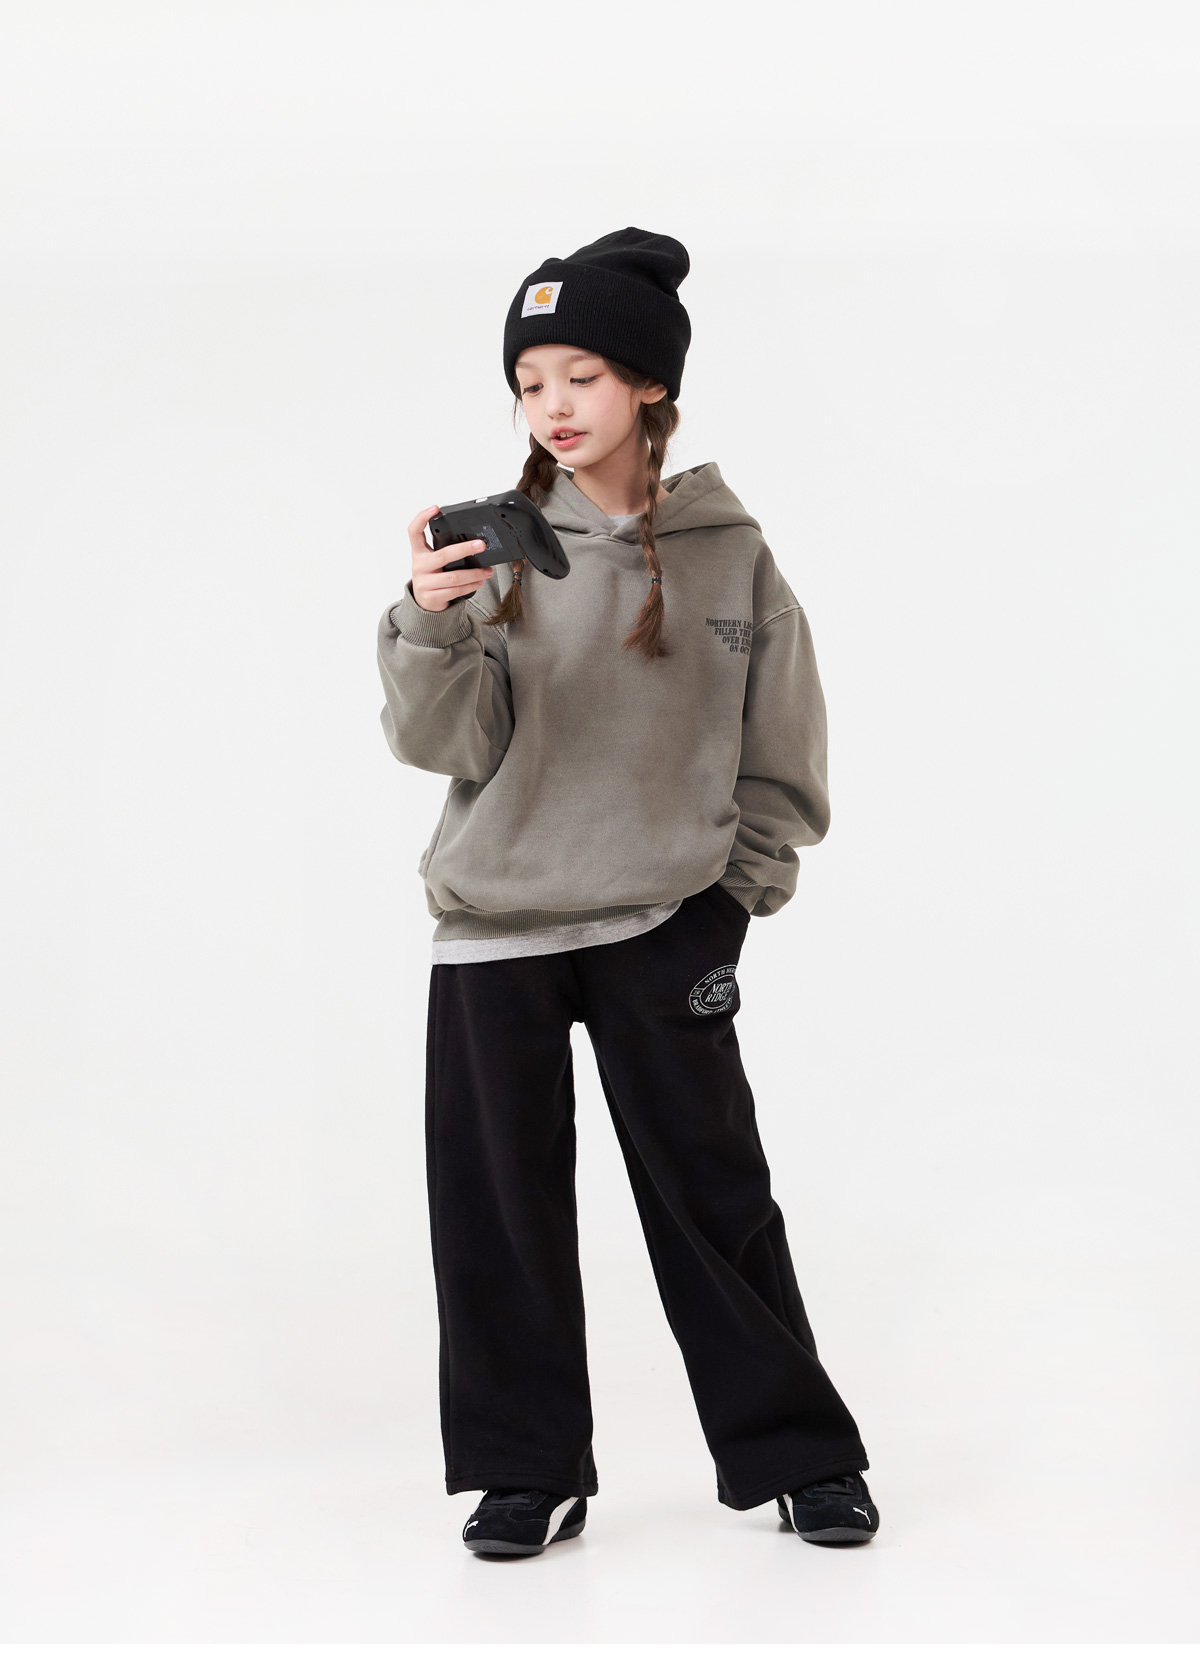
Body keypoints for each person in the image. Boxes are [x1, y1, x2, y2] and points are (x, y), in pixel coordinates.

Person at [376, 226, 879, 1559]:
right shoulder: (493, 548)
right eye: (529, 380)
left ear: (650, 383)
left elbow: (783, 752)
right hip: (493, 927)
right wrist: (428, 620)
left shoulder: (731, 555)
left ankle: (800, 1456)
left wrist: (731, 903)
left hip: (666, 922)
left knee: (716, 1200)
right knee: (498, 1219)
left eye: (582, 374)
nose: (552, 403)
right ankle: (526, 1471)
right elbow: (446, 746)